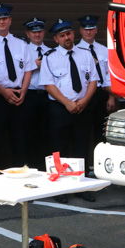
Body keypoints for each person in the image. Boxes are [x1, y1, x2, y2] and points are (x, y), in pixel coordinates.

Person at [41, 19, 97, 202]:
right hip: (60, 108)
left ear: (74, 34)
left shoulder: (85, 54)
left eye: (69, 34)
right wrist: (67, 103)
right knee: (59, 148)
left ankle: (81, 186)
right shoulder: (50, 57)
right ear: (56, 39)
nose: (67, 38)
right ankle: (60, 189)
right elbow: (48, 85)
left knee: (81, 146)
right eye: (62, 35)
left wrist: (84, 101)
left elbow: (93, 80)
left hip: (82, 107)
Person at [0, 3, 35, 168]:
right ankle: (1, 172)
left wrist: (24, 91)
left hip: (20, 96)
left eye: (5, 18)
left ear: (10, 20)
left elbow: (28, 69)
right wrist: (3, 92)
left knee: (21, 136)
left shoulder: (21, 44)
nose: (2, 22)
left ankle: (21, 170)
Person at [76, 15, 116, 174]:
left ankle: (101, 168)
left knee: (102, 132)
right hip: (85, 95)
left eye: (91, 29)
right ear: (80, 31)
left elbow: (109, 74)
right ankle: (85, 169)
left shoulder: (103, 50)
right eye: (85, 29)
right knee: (84, 132)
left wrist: (111, 96)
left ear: (96, 30)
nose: (88, 32)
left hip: (102, 93)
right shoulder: (76, 51)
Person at [23, 17, 51, 168]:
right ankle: (31, 164)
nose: (37, 35)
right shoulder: (24, 50)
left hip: (47, 95)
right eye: (33, 32)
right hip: (30, 95)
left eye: (39, 31)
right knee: (29, 131)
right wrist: (34, 65)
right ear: (28, 34)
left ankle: (44, 165)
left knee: (46, 131)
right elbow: (17, 74)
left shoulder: (51, 51)